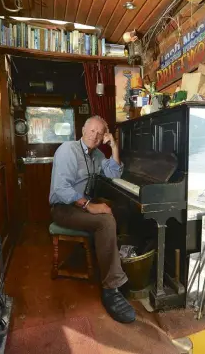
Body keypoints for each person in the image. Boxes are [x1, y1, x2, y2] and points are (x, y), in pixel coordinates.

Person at [49, 115, 136, 324]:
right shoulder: (67, 150)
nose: (94, 136)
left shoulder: (96, 155)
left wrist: (113, 147)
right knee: (105, 221)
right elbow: (61, 190)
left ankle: (113, 264)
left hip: (81, 207)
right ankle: (111, 289)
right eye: (91, 131)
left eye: (100, 133)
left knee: (124, 209)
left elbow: (114, 173)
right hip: (63, 208)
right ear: (83, 130)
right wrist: (90, 206)